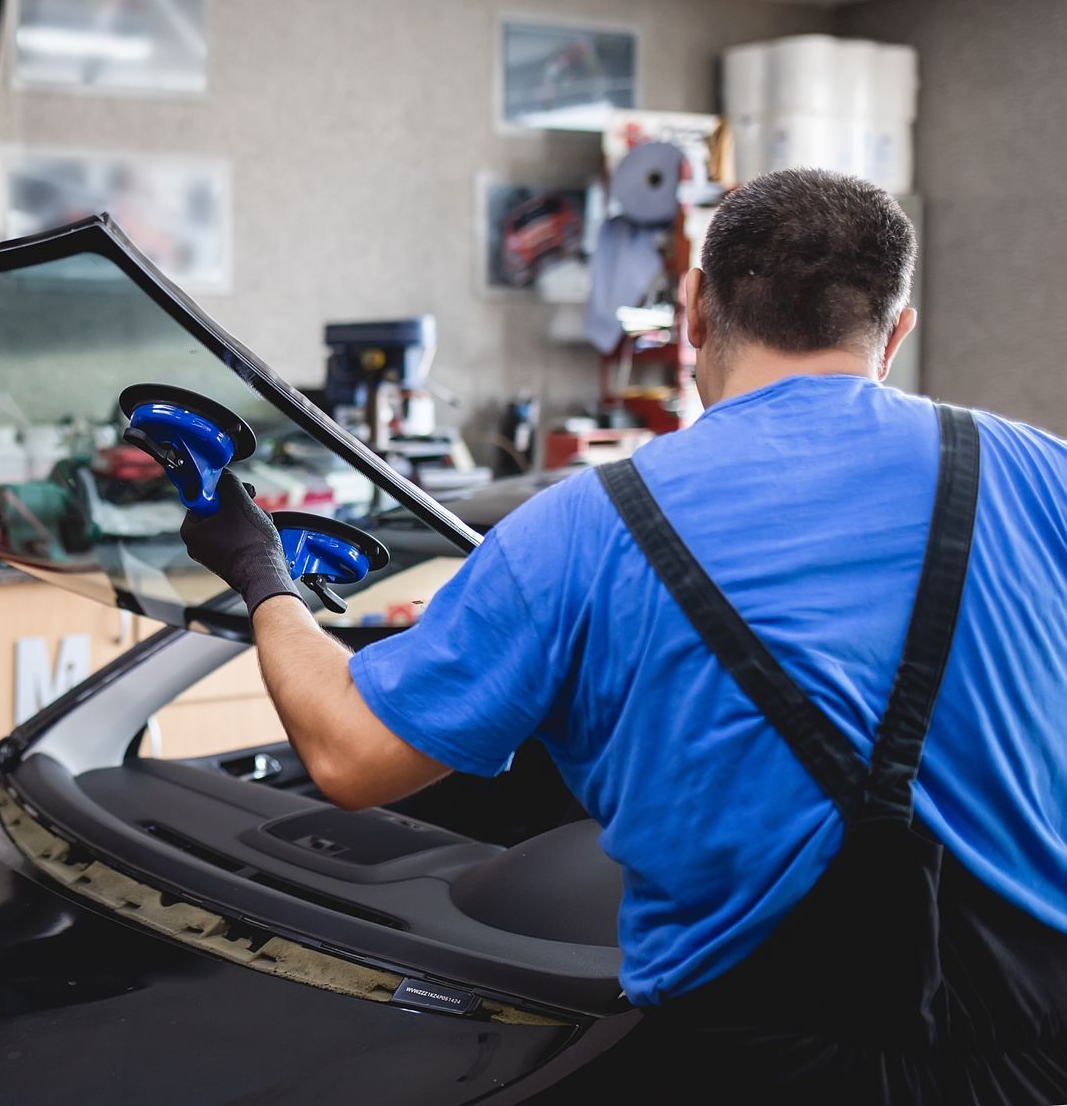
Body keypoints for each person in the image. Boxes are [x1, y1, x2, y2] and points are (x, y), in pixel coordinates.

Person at [181, 169, 1067, 1102]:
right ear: (896, 332)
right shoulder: (1043, 475)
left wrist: (260, 572)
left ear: (693, 308)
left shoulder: (581, 529)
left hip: (761, 1064)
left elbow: (353, 755)